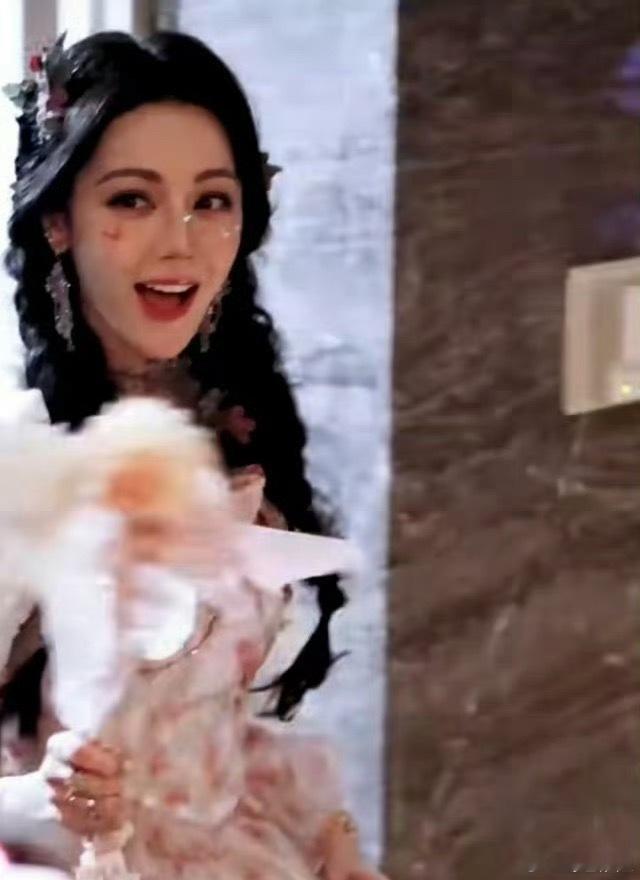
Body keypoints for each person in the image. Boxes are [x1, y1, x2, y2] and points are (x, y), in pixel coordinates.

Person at [0, 30, 386, 880]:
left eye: (210, 201)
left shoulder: (236, 433)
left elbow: (243, 727)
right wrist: (49, 797)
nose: (179, 243)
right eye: (132, 200)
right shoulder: (21, 460)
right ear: (59, 221)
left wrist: (329, 839)